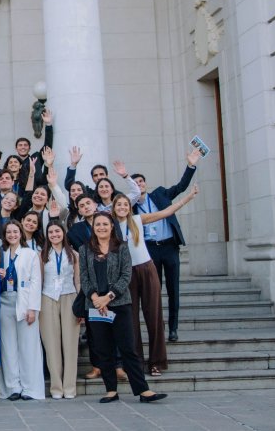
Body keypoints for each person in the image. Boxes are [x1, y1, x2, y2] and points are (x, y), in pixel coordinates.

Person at [79, 212, 167, 404]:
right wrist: (96, 298)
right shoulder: (85, 249)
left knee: (128, 348)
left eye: (105, 224)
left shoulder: (122, 247)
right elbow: (84, 278)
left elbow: (126, 276)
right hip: (95, 306)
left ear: (112, 226)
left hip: (119, 304)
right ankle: (111, 390)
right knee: (103, 349)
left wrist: (108, 298)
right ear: (93, 228)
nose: (101, 227)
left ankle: (143, 390)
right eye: (97, 225)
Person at [113, 186, 198, 376]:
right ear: (114, 207)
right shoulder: (110, 226)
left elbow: (165, 212)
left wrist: (188, 198)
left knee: (154, 316)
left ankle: (156, 362)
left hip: (146, 268)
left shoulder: (137, 219)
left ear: (129, 207)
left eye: (125, 204)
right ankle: (134, 363)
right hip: (126, 275)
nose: (122, 207)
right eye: (118, 204)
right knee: (131, 319)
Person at [132, 148, 201, 342]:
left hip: (169, 247)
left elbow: (180, 187)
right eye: (135, 183)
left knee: (173, 289)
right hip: (150, 249)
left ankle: (173, 328)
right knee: (154, 290)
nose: (139, 184)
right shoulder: (131, 207)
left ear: (145, 183)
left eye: (141, 181)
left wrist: (191, 165)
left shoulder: (161, 194)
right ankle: (158, 328)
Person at [0, 221, 44, 401]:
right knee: (8, 347)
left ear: (21, 233)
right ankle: (12, 387)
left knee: (28, 346)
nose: (12, 235)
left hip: (25, 303)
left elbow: (35, 282)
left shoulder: (30, 254)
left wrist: (33, 308)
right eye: (8, 232)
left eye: (15, 231)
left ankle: (30, 388)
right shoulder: (1, 254)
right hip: (5, 301)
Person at [38, 222, 80, 399]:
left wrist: (80, 306)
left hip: (69, 296)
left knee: (70, 344)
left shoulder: (74, 255)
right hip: (47, 297)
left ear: (63, 233)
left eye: (57, 231)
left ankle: (69, 387)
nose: (54, 234)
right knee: (51, 344)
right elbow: (39, 281)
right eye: (51, 232)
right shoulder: (41, 255)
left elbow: (78, 280)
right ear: (47, 235)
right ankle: (56, 387)